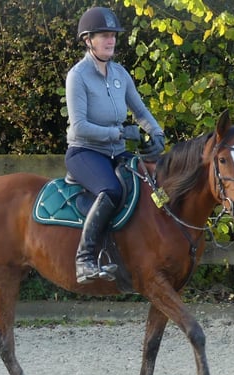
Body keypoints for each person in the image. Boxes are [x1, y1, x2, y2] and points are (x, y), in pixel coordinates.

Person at [65, 6, 166, 284]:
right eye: (103, 35)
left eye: (112, 35)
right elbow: (80, 126)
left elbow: (141, 113)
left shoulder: (120, 73)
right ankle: (84, 260)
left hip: (116, 152)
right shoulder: (78, 76)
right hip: (85, 152)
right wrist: (118, 134)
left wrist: (156, 133)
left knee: (151, 183)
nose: (110, 40)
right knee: (110, 190)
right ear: (88, 40)